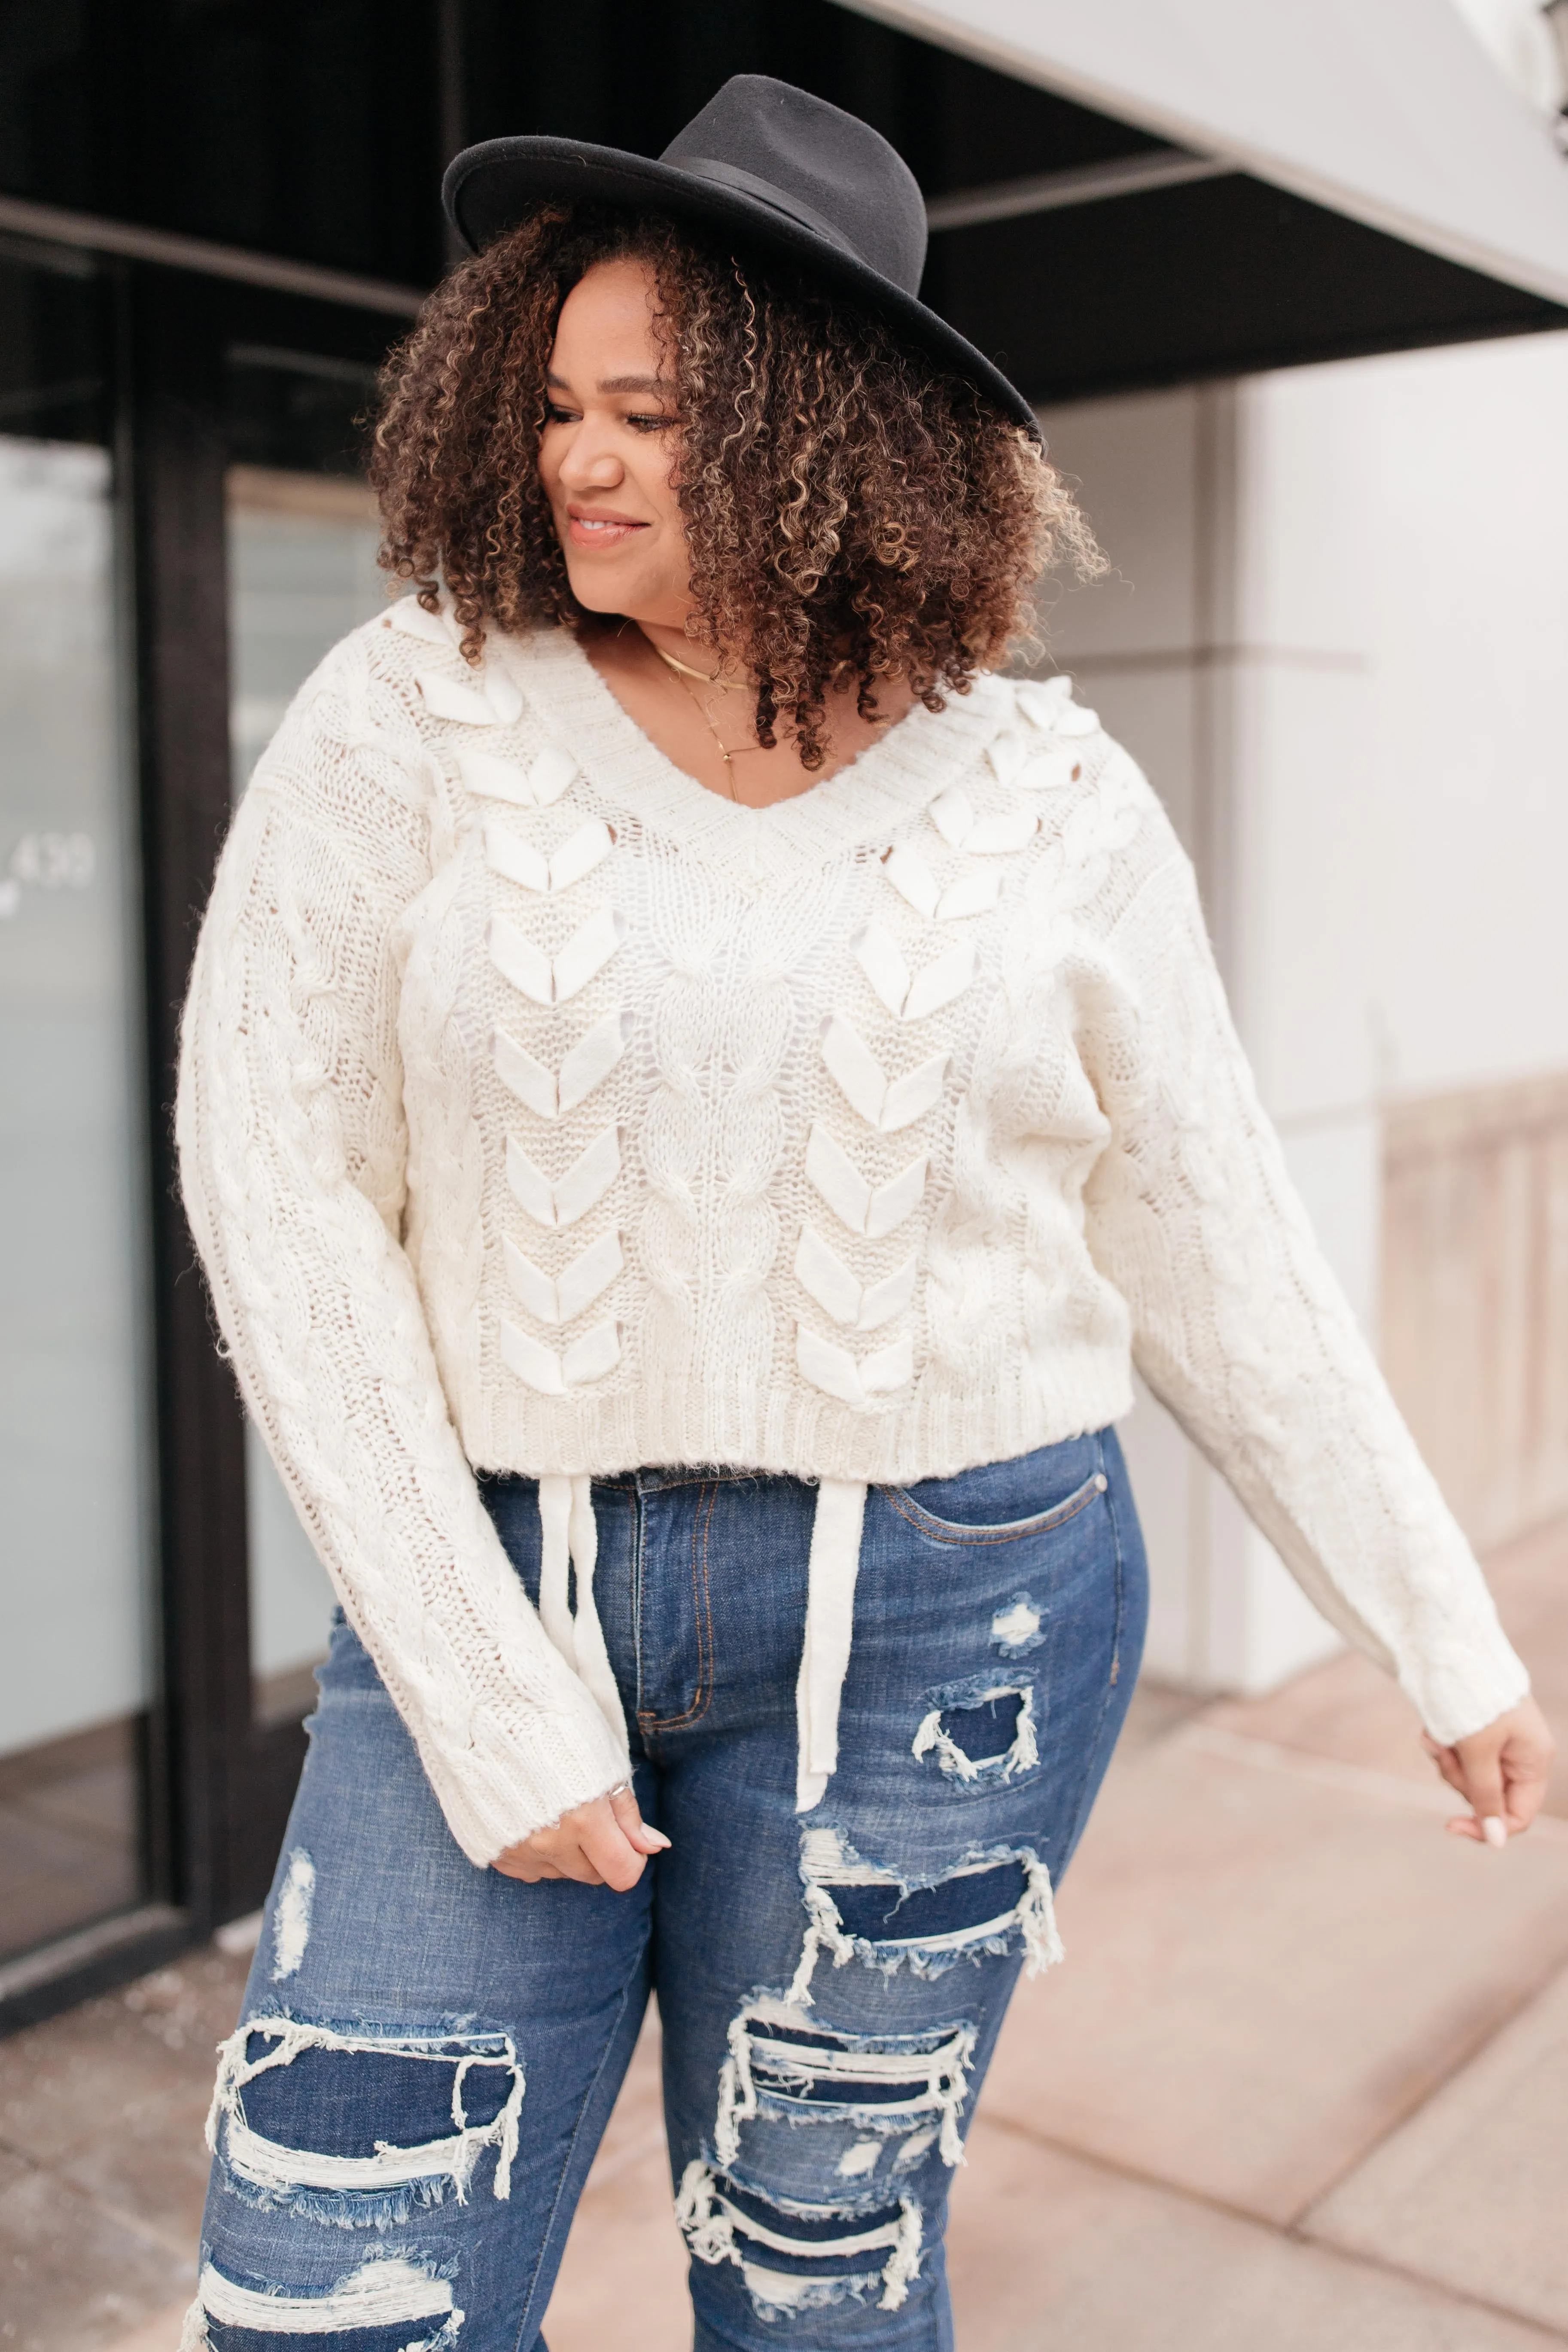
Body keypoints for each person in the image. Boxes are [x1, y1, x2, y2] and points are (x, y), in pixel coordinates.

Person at [174, 74, 1553, 2352]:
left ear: (822, 429)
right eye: (552, 405)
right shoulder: (415, 720)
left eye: (645, 413)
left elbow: (1215, 1242)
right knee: (331, 2298)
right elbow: (276, 1177)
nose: (575, 461)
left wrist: (1440, 1629)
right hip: (504, 1571)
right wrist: (481, 1681)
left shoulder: (1048, 800)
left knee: (822, 2290)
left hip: (957, 1624)